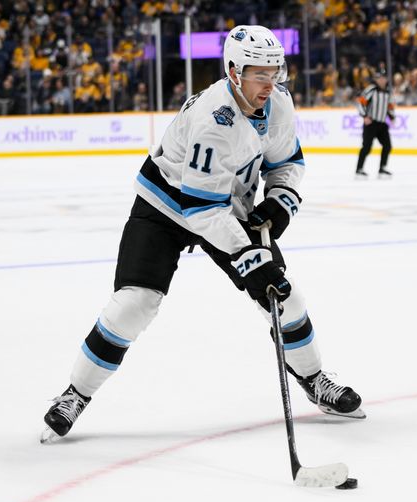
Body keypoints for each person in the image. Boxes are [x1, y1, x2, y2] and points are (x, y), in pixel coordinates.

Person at [41, 25, 365, 443]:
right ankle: (75, 394)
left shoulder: (279, 103)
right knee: (134, 304)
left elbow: (286, 162)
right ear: (233, 72)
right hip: (165, 207)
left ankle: (316, 379)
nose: (269, 83)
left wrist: (280, 201)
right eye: (258, 74)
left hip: (224, 205)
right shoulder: (216, 118)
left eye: (275, 72)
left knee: (286, 297)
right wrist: (252, 258)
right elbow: (201, 209)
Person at [355, 70, 394, 180]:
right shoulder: (371, 90)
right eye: (379, 78)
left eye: (383, 78)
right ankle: (359, 169)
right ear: (376, 80)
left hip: (382, 124)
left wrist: (392, 117)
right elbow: (361, 102)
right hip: (371, 123)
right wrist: (364, 116)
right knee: (366, 147)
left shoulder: (388, 92)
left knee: (387, 146)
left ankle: (382, 168)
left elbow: (390, 106)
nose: (382, 80)